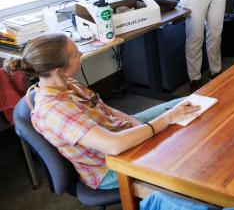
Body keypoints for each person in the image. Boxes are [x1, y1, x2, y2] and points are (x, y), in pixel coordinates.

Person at [5, 33, 200, 190]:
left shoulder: (65, 83)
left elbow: (102, 106)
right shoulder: (55, 111)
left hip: (117, 131)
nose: (80, 53)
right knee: (185, 152)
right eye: (75, 53)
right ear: (59, 70)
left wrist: (134, 121)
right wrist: (164, 121)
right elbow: (114, 146)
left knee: (189, 103)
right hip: (109, 166)